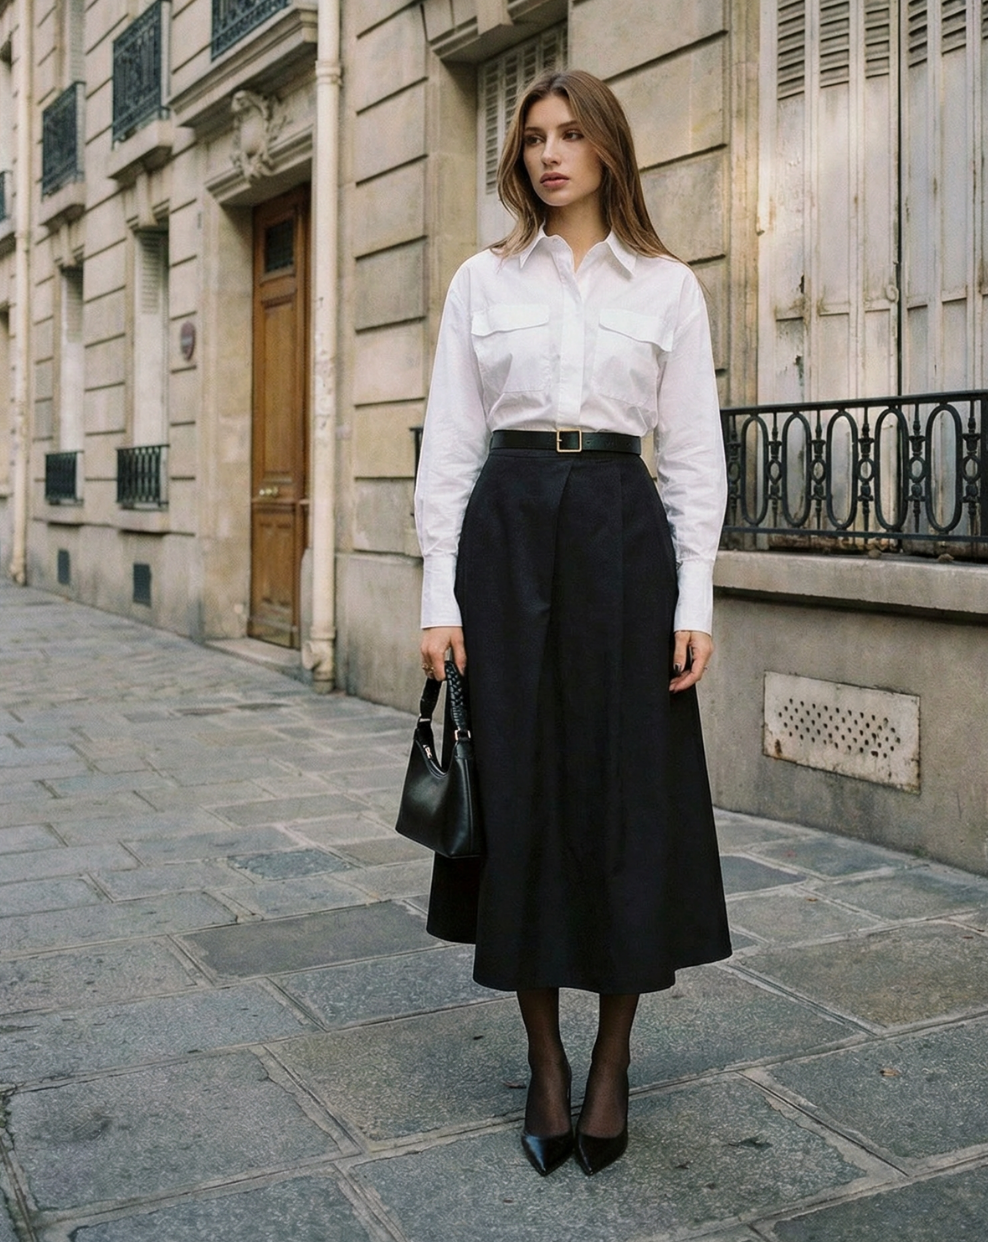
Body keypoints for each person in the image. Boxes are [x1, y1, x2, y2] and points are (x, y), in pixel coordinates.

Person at [414, 69, 731, 1178]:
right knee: (528, 797)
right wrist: (436, 595)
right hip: (504, 536)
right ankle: (546, 1060)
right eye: (534, 137)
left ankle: (613, 1060)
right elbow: (449, 444)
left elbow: (693, 456)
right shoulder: (481, 280)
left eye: (570, 135)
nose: (550, 154)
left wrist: (694, 596)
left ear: (608, 150)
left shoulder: (668, 288)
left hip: (619, 534)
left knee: (625, 800)